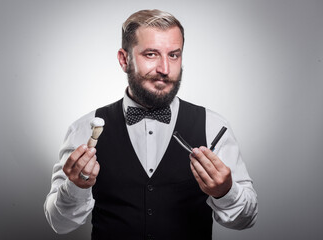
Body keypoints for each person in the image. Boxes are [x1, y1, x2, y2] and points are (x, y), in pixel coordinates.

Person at [44, 9, 258, 240]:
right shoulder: (83, 130)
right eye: (151, 54)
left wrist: (225, 191)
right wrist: (76, 187)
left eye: (174, 55)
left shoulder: (214, 127)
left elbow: (246, 220)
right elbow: (59, 223)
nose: (164, 69)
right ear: (124, 59)